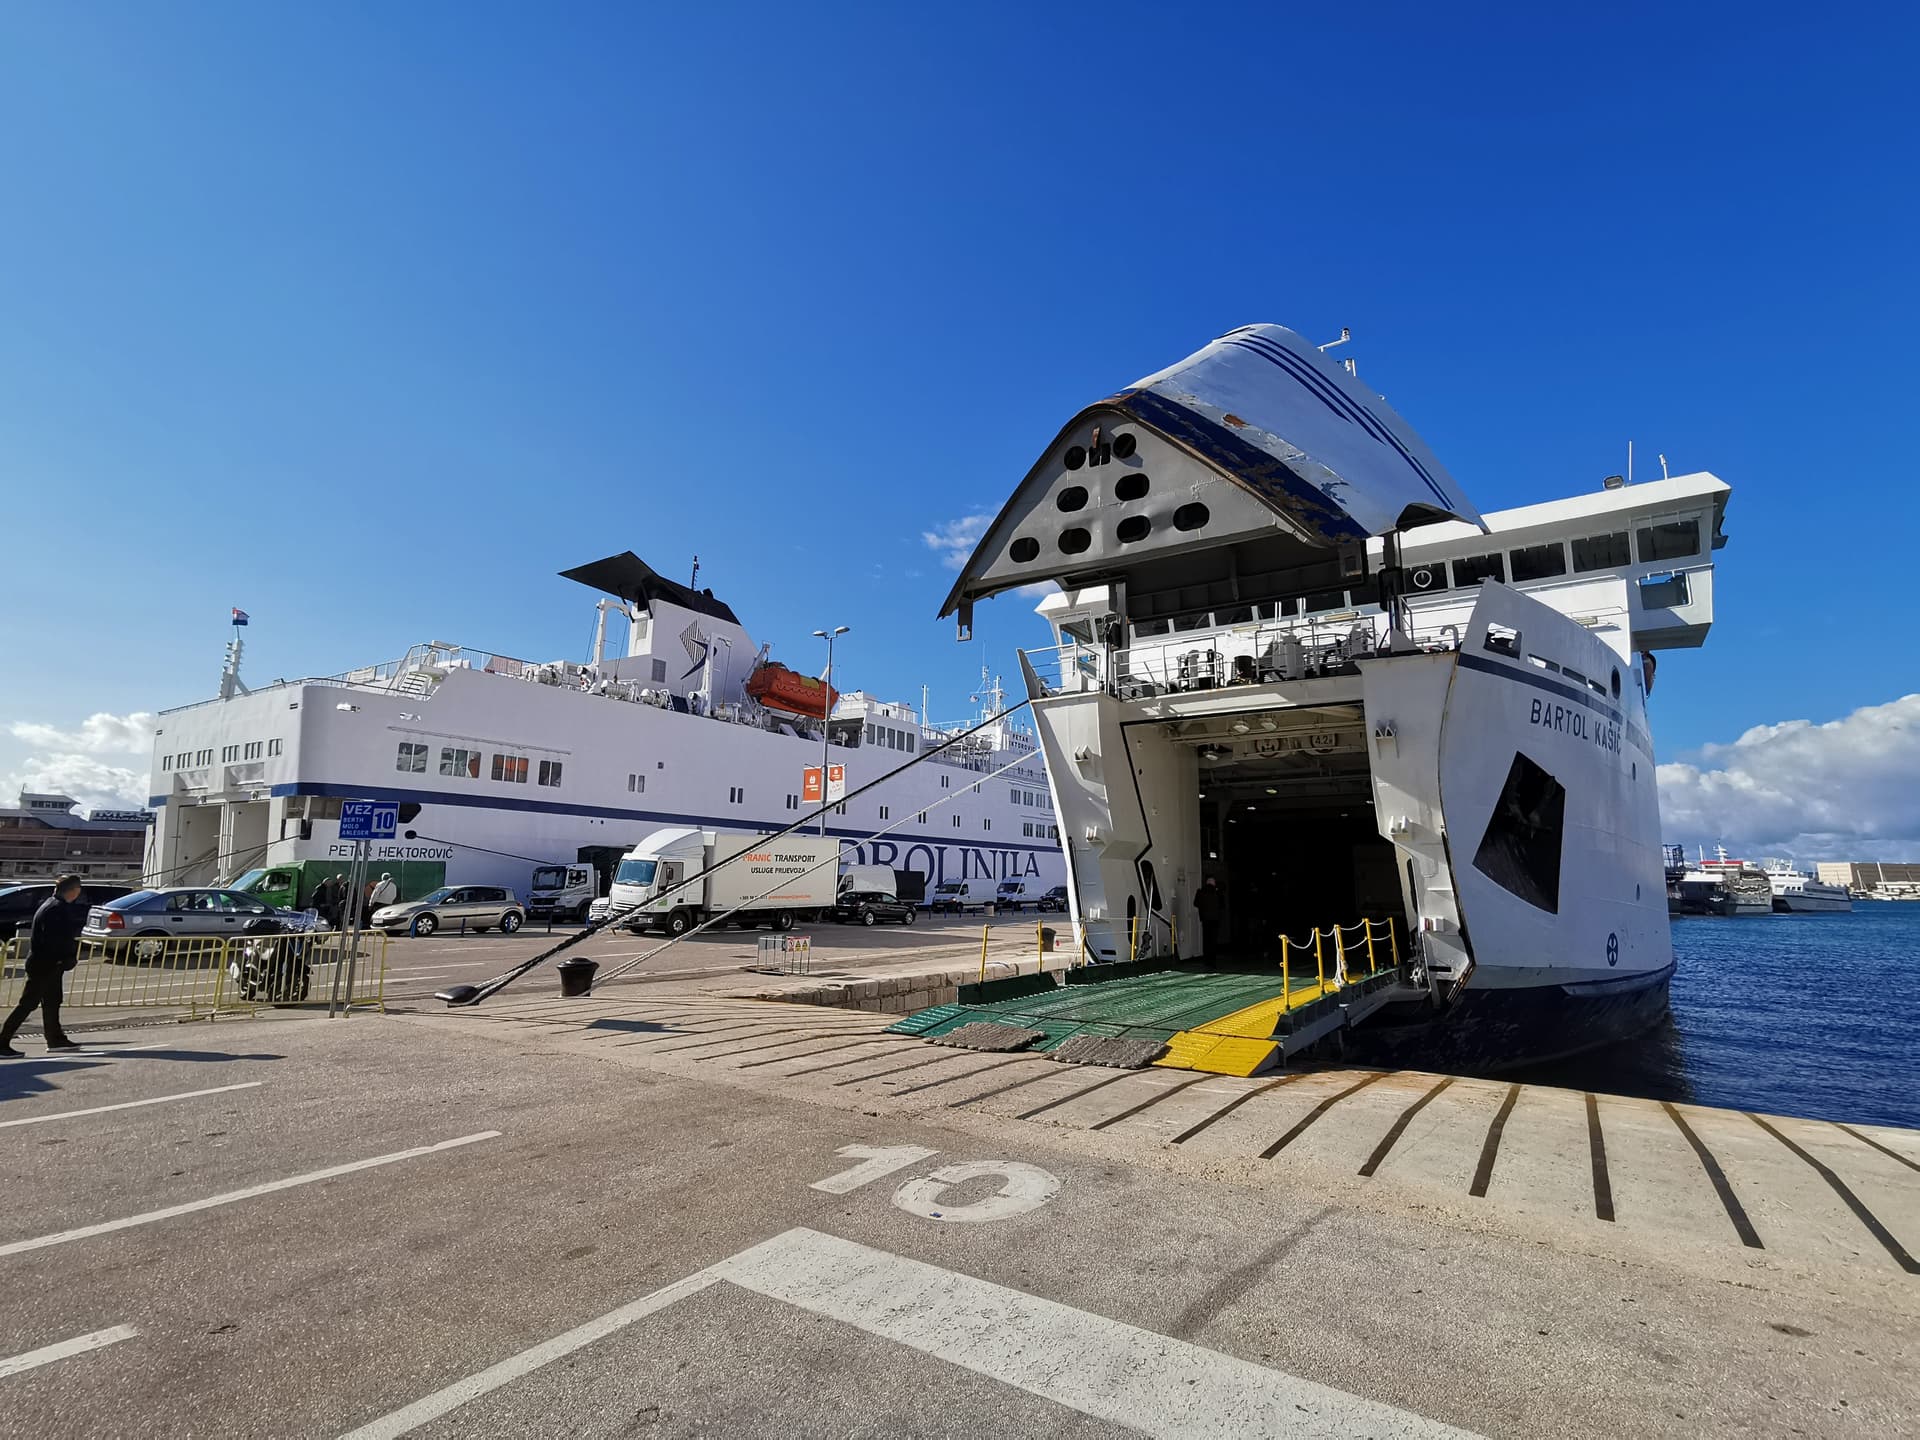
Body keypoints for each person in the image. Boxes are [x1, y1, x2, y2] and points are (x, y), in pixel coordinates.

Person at [1, 875, 86, 1056]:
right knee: (28, 1003)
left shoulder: (53, 904)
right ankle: (2, 1041)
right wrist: (64, 958)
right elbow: (54, 940)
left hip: (48, 964)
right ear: (74, 891)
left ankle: (55, 1039)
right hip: (45, 964)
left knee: (52, 1001)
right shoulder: (56, 909)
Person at [1194, 876, 1224, 956]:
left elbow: (1196, 903)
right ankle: (1212, 957)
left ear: (1207, 883)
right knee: (1213, 938)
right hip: (1215, 919)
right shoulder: (1217, 892)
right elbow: (1222, 905)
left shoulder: (1200, 891)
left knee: (1206, 938)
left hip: (1205, 918)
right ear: (1214, 883)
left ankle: (1206, 956)